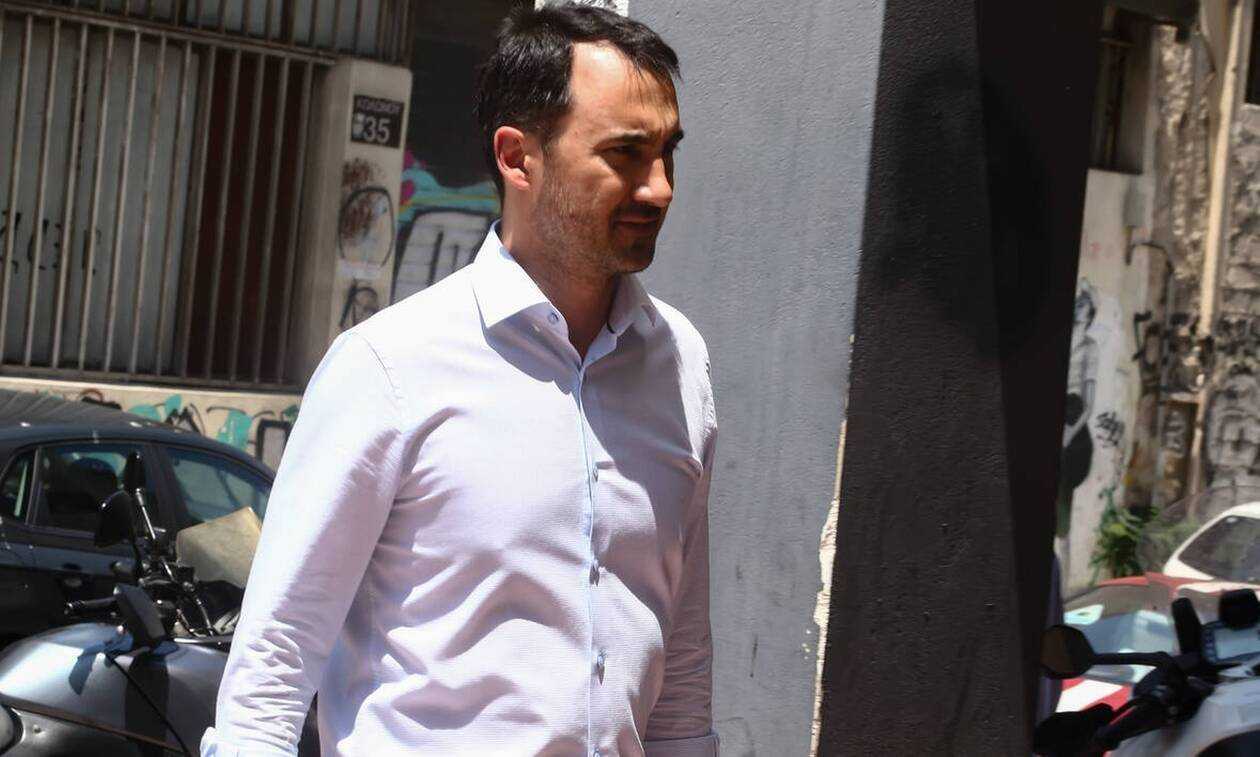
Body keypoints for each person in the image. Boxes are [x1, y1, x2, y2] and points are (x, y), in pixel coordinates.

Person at [202, 4, 718, 756]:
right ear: (518, 157)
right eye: (626, 154)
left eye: (667, 152)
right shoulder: (390, 365)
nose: (659, 187)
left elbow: (683, 651)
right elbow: (274, 661)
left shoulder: (679, 363)